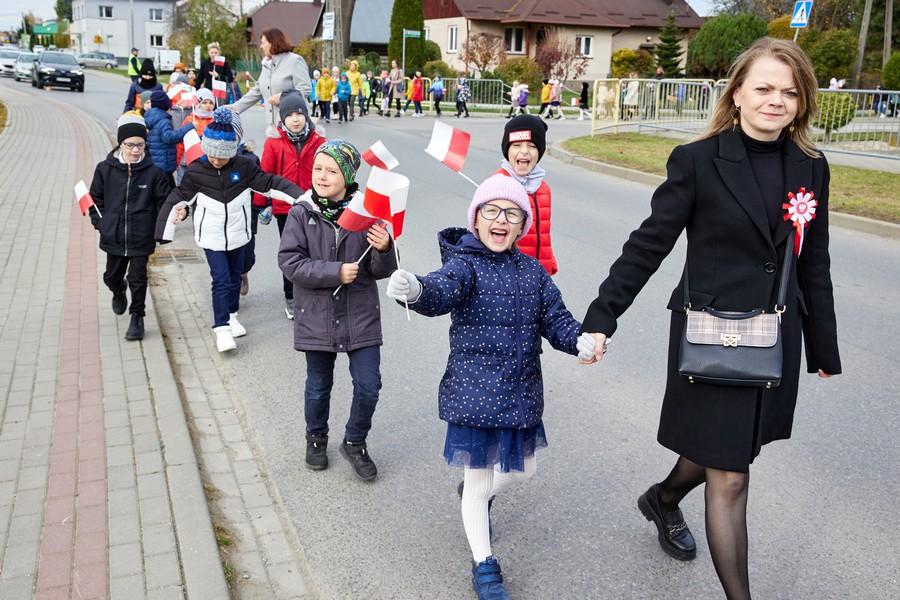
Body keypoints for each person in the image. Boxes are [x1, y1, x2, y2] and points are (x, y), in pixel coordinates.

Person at [580, 38, 841, 600]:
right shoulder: (697, 161)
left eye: (789, 92)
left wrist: (823, 344)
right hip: (712, 334)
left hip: (775, 338)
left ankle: (663, 498)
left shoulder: (812, 167)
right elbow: (649, 244)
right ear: (737, 93)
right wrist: (602, 316)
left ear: (802, 101)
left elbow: (813, 260)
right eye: (764, 88)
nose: (776, 100)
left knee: (731, 447)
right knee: (732, 475)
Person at [384, 174, 595, 599]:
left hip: (520, 392)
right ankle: (484, 564)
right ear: (476, 219)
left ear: (522, 226)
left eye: (512, 214)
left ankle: (472, 498)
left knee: (523, 470)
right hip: (475, 394)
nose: (501, 220)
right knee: (480, 485)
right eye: (492, 211)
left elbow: (556, 320)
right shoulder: (464, 265)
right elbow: (440, 291)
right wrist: (416, 289)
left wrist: (579, 340)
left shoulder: (533, 272)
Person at [278, 141, 397, 481]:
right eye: (318, 169)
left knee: (369, 385)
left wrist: (385, 248)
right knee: (318, 385)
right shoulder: (302, 212)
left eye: (331, 171)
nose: (322, 176)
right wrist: (335, 272)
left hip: (360, 314)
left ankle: (355, 441)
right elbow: (290, 262)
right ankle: (315, 438)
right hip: (317, 316)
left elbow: (380, 269)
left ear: (347, 176)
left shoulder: (366, 212)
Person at [156, 108, 304, 353]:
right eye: (213, 155)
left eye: (222, 157)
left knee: (235, 277)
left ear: (232, 152)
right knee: (221, 280)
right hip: (211, 237)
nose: (217, 160)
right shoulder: (196, 171)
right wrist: (165, 229)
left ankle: (232, 316)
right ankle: (221, 327)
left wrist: (301, 198)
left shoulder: (245, 167)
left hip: (239, 234)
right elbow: (179, 197)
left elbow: (270, 184)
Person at [90, 113, 172, 341]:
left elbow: (164, 202)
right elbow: (95, 199)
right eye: (130, 145)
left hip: (141, 236)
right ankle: (118, 290)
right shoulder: (104, 169)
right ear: (121, 144)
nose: (136, 150)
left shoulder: (154, 173)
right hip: (113, 235)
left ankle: (137, 317)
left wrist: (174, 215)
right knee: (111, 276)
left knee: (138, 278)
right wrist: (101, 223)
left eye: (140, 145)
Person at [255, 91, 325, 318]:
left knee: (315, 252)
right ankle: (292, 297)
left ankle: (313, 295)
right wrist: (260, 204)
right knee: (292, 254)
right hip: (285, 208)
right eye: (290, 115)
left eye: (299, 114)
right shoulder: (274, 142)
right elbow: (265, 175)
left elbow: (329, 170)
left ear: (306, 116)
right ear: (283, 118)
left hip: (314, 206)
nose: (295, 119)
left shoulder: (319, 141)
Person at [495, 115, 557, 275]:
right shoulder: (498, 186)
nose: (524, 151)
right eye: (516, 145)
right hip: (511, 276)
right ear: (507, 150)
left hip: (540, 273)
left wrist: (549, 261)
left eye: (532, 146)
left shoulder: (543, 188)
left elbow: (543, 231)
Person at [232, 28, 312, 138]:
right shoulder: (266, 65)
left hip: (296, 126)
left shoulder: (295, 60)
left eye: (263, 43)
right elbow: (256, 91)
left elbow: (305, 89)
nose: (261, 46)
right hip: (274, 128)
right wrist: (234, 108)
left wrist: (283, 97)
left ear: (273, 42)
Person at [144, 90, 195, 183]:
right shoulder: (163, 120)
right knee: (167, 188)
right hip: (164, 162)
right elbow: (169, 137)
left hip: (156, 160)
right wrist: (189, 127)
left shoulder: (151, 116)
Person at [175, 88, 216, 180]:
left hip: (208, 160)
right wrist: (178, 159)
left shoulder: (215, 120)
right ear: (198, 104)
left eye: (211, 103)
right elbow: (181, 141)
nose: (208, 105)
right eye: (204, 102)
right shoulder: (190, 119)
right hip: (190, 158)